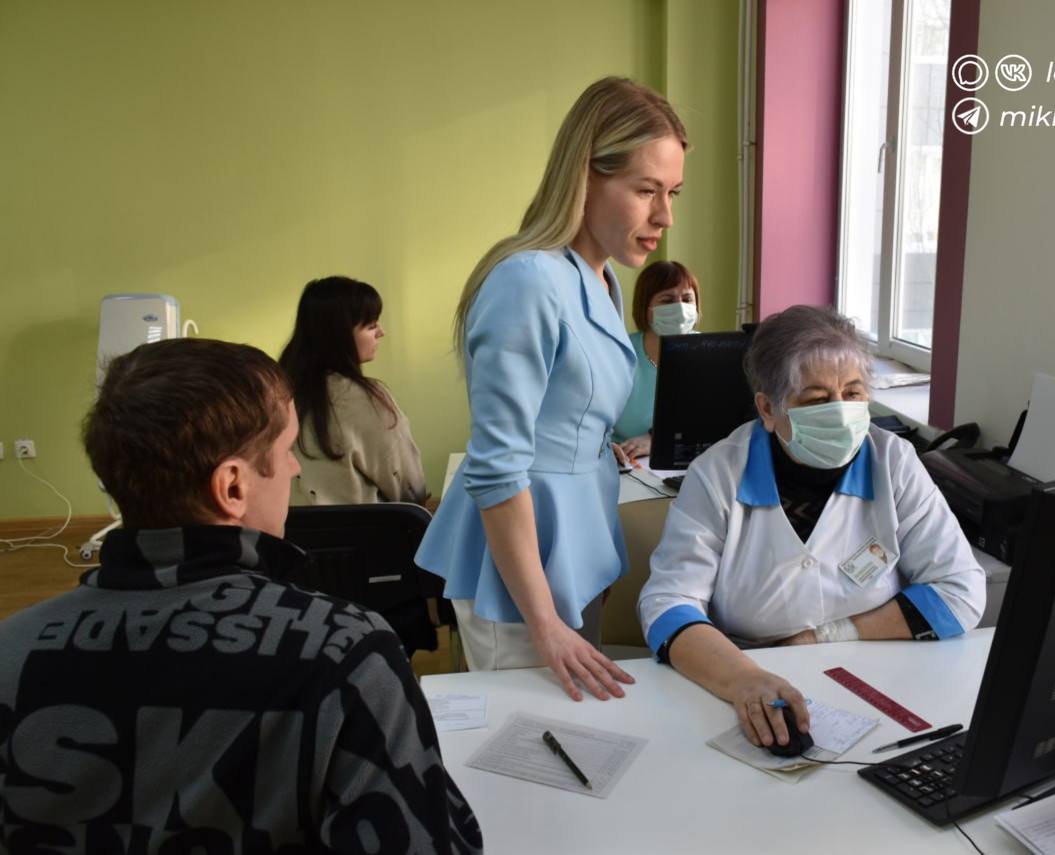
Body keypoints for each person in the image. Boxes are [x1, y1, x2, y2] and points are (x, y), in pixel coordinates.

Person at [0, 338, 481, 852]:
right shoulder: (344, 653)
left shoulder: (11, 647)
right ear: (232, 486)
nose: (295, 469)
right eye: (286, 450)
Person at [416, 77, 687, 701]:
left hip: (571, 547)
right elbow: (497, 468)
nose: (664, 217)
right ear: (584, 176)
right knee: (530, 745)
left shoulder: (599, 276)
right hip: (521, 571)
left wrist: (596, 468)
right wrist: (545, 623)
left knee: (574, 732)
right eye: (646, 190)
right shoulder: (528, 280)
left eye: (671, 192)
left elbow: (571, 419)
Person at [637, 305, 985, 749]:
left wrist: (820, 638)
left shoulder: (892, 461)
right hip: (747, 682)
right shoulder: (718, 473)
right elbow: (668, 605)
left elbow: (961, 591)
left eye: (854, 393)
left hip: (884, 678)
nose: (841, 413)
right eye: (818, 400)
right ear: (768, 408)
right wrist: (746, 679)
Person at [280, 275, 427, 506]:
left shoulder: (273, 394)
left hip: (288, 538)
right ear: (338, 336)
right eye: (371, 325)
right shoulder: (363, 397)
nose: (381, 332)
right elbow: (410, 489)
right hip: (366, 538)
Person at [613, 260, 701, 460]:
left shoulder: (711, 352)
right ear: (646, 307)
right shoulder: (620, 352)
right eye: (667, 300)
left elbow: (716, 421)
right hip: (627, 463)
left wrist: (657, 438)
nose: (680, 307)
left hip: (690, 462)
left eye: (687, 299)